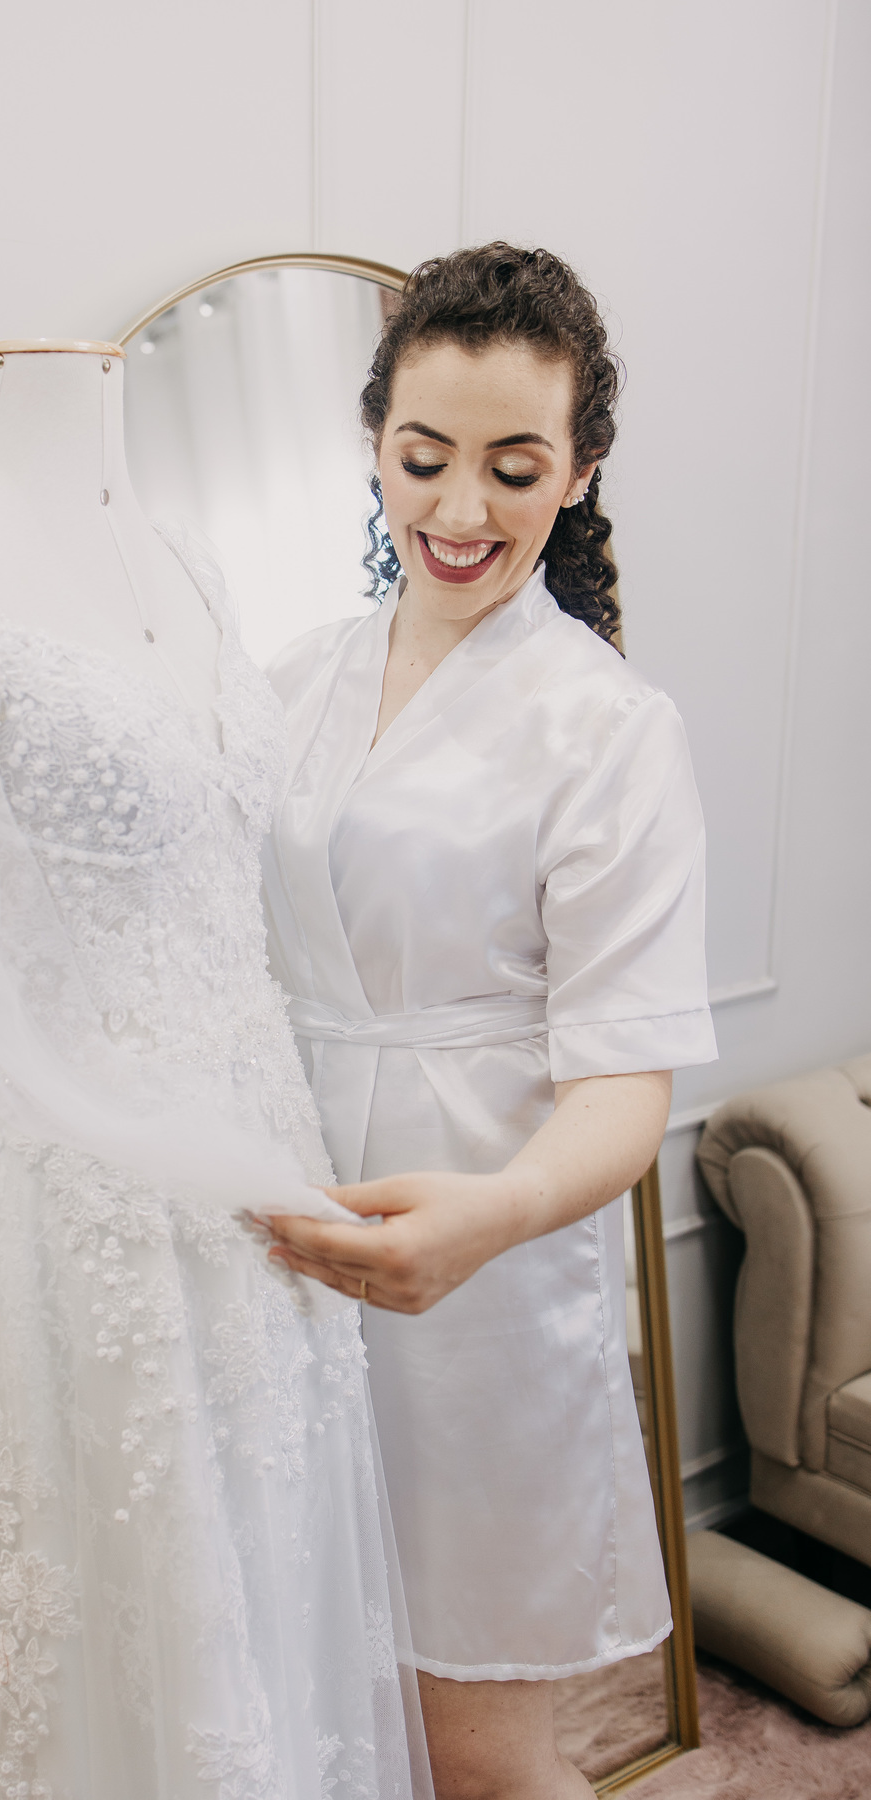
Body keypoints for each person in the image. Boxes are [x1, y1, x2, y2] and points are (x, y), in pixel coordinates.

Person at [0, 340, 429, 1800]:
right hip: (77, 1193)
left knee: (271, 1587)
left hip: (259, 1153)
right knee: (120, 1612)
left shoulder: (189, 564)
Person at [261, 244, 717, 1800]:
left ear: (578, 472)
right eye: (424, 457)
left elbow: (626, 1084)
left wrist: (497, 1216)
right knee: (317, 1705)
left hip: (490, 1274)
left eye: (515, 469)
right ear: (374, 443)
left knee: (477, 1752)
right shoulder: (290, 683)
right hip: (286, 1239)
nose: (460, 509)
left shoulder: (609, 731)